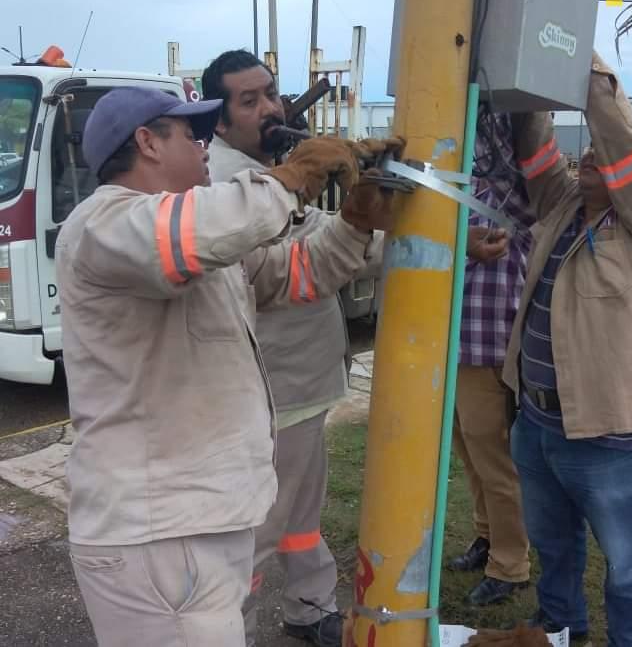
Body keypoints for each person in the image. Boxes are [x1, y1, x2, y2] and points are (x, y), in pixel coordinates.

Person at [57, 86, 390, 647]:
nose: (205, 145)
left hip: (199, 522)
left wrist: (355, 219)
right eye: (192, 134)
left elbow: (302, 272)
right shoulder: (103, 224)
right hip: (156, 534)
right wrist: (294, 176)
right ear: (147, 142)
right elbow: (197, 233)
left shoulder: (196, 237)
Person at [202, 50, 399, 647]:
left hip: (306, 384)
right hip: (268, 391)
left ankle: (309, 608)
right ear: (218, 117)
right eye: (249, 100)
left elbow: (336, 251)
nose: (269, 109)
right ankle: (228, 630)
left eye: (271, 93)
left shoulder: (281, 173)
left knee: (300, 516)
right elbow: (301, 267)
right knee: (258, 528)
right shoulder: (226, 188)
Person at [502, 52, 632, 646]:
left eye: (600, 153)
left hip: (606, 435)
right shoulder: (562, 206)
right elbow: (534, 154)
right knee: (553, 545)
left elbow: (625, 151)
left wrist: (579, 56)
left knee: (628, 568)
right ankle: (561, 628)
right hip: (536, 423)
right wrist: (534, 75)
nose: (589, 155)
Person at [447, 109, 536, 606]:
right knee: (470, 454)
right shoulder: (459, 190)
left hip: (489, 346)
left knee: (496, 459)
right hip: (455, 343)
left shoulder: (513, 193)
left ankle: (512, 562)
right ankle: (487, 537)